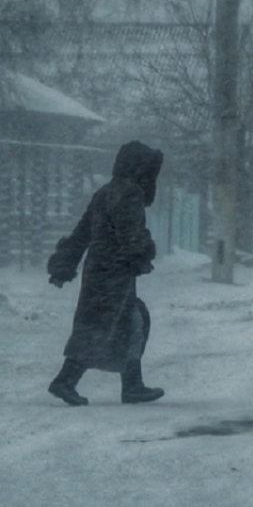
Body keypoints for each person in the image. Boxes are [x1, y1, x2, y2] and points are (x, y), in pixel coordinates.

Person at [46, 141, 165, 406]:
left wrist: (64, 266)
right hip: (116, 271)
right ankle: (65, 381)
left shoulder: (104, 192)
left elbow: (82, 233)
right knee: (99, 327)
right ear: (139, 169)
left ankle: (132, 386)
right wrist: (140, 254)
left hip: (97, 269)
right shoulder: (131, 193)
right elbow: (129, 232)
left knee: (129, 322)